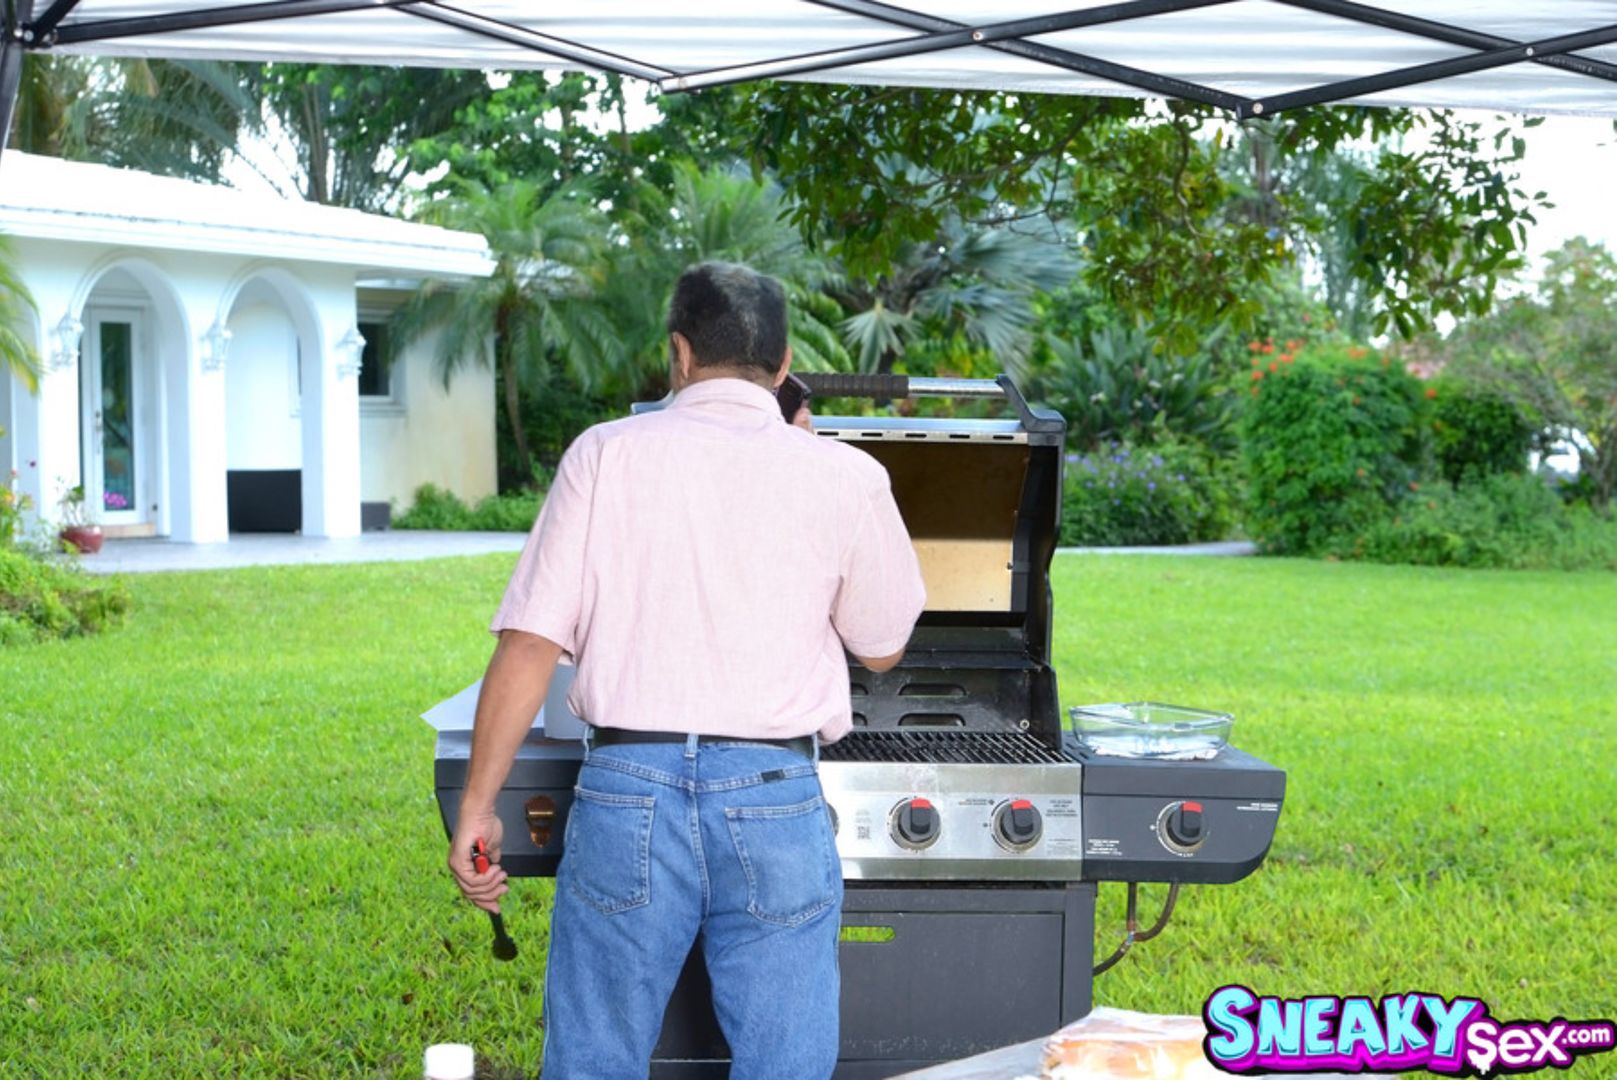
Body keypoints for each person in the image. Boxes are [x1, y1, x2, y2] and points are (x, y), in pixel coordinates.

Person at [448, 261, 926, 1079]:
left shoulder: (603, 455)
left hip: (627, 790)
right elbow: (881, 647)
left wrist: (477, 808)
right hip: (774, 794)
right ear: (782, 368)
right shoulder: (844, 474)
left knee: (594, 1055)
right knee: (785, 1064)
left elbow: (528, 644)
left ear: (678, 352)